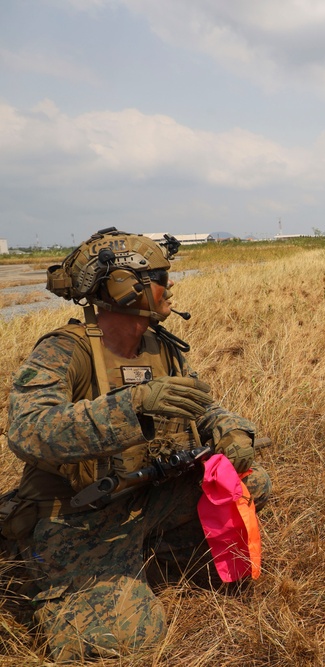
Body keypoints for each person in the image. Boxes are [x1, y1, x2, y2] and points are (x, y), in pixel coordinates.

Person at [2, 228, 271, 661]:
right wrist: (134, 406)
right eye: (162, 277)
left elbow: (200, 406)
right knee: (126, 641)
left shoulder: (158, 346)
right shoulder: (64, 351)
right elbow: (29, 430)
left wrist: (231, 429)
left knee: (250, 484)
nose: (171, 287)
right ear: (126, 288)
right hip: (79, 515)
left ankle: (144, 555)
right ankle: (42, 568)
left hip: (144, 498)